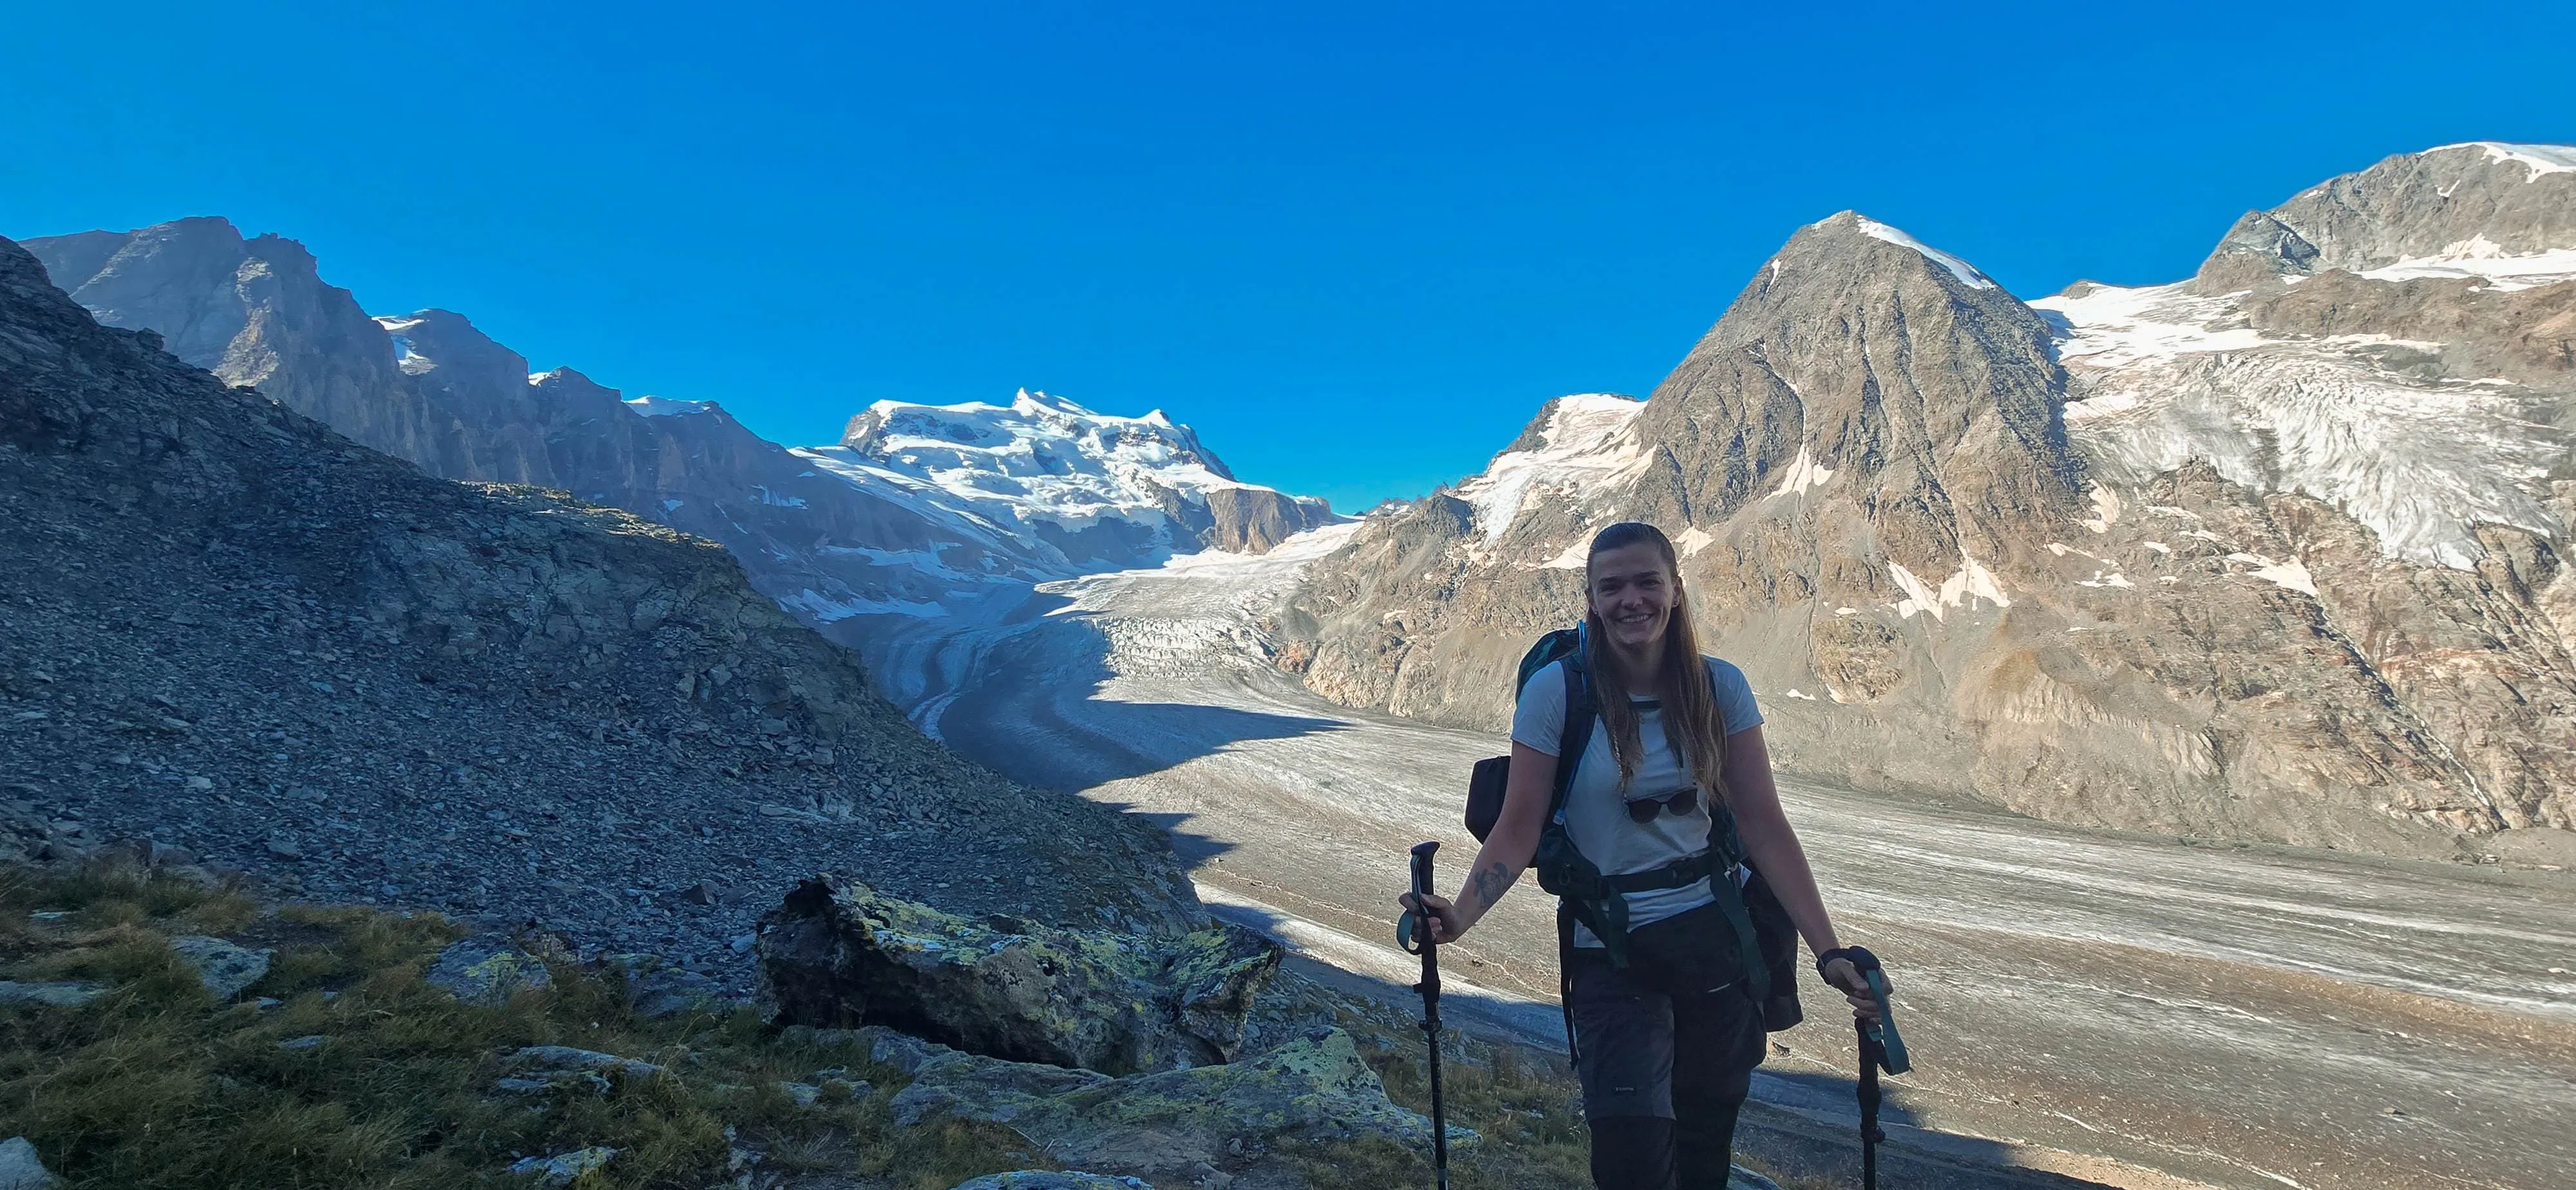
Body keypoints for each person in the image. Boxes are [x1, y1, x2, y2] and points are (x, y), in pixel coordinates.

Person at [1399, 520, 1888, 1190]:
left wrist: (1828, 952)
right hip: (1610, 947)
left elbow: (1764, 827)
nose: (1632, 600)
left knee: (1702, 1149)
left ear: (1676, 590)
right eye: (1613, 587)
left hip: (1714, 944)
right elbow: (1516, 829)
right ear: (1591, 600)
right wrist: (1458, 917)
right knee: (1628, 1157)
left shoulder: (1721, 688)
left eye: (1646, 582)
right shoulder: (1557, 695)